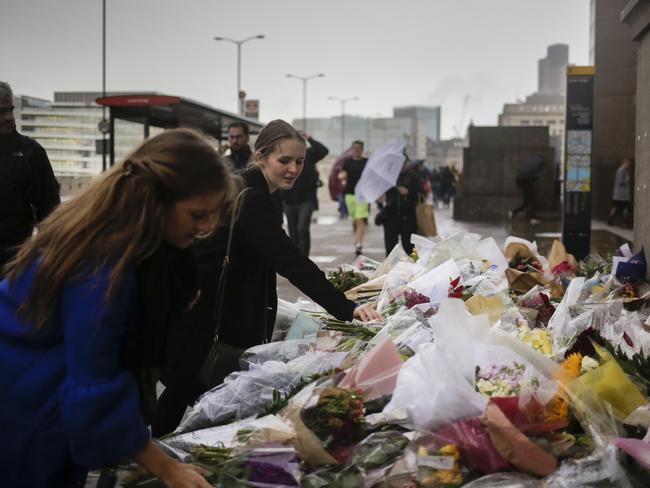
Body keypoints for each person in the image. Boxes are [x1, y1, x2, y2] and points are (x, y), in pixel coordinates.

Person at [0, 128, 235, 488]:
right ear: (155, 201)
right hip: (23, 413)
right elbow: (94, 383)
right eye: (197, 214)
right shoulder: (101, 266)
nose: (207, 227)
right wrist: (166, 467)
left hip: (40, 402)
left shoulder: (125, 239)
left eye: (214, 215)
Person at [153, 121, 381, 436]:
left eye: (299, 161)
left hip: (210, 312)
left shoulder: (258, 189)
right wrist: (345, 307)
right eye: (284, 161)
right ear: (261, 157)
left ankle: (147, 457)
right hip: (213, 316)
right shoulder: (253, 198)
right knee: (203, 396)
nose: (293, 169)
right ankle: (149, 459)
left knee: (185, 393)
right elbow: (290, 261)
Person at [0, 81, 60, 274]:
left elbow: (49, 210)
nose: (9, 117)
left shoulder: (31, 153)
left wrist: (48, 262)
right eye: (1, 112)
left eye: (10, 110)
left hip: (14, 266)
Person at [282, 133, 329, 255]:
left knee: (302, 228)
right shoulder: (285, 155)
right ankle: (296, 257)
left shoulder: (309, 154)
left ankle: (304, 257)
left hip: (307, 200)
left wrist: (309, 138)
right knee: (292, 232)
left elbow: (324, 150)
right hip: (289, 200)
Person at [378, 161, 425, 256]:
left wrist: (408, 192)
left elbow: (421, 196)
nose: (401, 166)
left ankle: (417, 265)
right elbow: (380, 197)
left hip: (408, 217)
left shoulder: (414, 177)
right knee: (390, 248)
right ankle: (390, 268)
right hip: (390, 216)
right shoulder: (388, 177)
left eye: (403, 163)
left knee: (409, 247)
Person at [340, 140, 369, 255]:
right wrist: (342, 176)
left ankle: (358, 244)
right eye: (354, 148)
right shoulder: (347, 162)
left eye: (358, 148)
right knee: (355, 220)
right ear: (351, 149)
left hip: (362, 195)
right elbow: (342, 174)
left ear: (362, 149)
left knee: (360, 220)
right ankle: (358, 238)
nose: (356, 150)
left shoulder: (367, 162)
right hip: (349, 194)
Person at [509, 156, 544, 225]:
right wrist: (535, 179)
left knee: (526, 203)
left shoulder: (526, 173)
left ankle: (513, 212)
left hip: (527, 189)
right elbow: (529, 180)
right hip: (528, 189)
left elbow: (530, 180)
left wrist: (534, 179)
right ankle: (533, 218)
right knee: (533, 202)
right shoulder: (528, 174)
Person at [608, 158, 633, 227]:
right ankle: (612, 220)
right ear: (623, 163)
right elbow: (620, 182)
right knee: (619, 207)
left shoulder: (623, 171)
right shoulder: (620, 171)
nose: (628, 165)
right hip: (620, 195)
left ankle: (625, 222)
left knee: (623, 208)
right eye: (627, 164)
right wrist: (627, 180)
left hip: (622, 195)